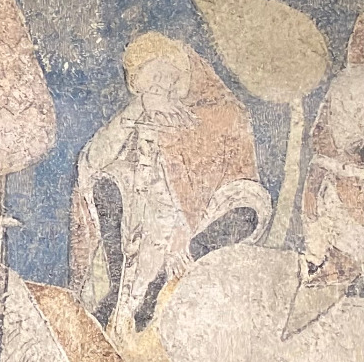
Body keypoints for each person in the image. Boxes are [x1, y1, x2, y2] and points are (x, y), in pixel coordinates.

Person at [70, 32, 270, 332]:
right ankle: (119, 295)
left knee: (249, 205)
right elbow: (92, 162)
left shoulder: (200, 118)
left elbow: (212, 182)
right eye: (153, 77)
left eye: (168, 77)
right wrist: (138, 108)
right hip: (142, 220)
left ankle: (160, 290)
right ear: (136, 82)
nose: (161, 85)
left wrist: (184, 229)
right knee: (107, 182)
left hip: (194, 222)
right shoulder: (136, 114)